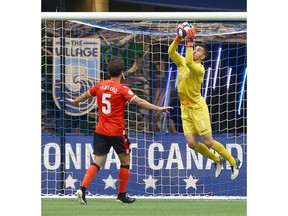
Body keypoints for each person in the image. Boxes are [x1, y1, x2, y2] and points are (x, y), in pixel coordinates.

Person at [68, 58, 173, 205]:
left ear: (109, 72)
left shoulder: (100, 85)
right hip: (116, 132)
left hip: (100, 131)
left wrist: (76, 101)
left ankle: (83, 188)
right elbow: (139, 101)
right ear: (122, 73)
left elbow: (86, 95)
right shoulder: (122, 88)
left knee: (97, 161)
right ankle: (122, 195)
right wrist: (158, 108)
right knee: (125, 160)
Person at [168, 24, 241, 180]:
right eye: (195, 48)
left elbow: (189, 63)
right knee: (191, 144)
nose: (195, 50)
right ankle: (217, 159)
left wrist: (189, 41)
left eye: (199, 50)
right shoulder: (182, 62)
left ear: (203, 57)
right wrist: (178, 38)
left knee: (208, 141)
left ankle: (233, 161)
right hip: (185, 109)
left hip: (197, 108)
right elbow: (171, 52)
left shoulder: (199, 69)